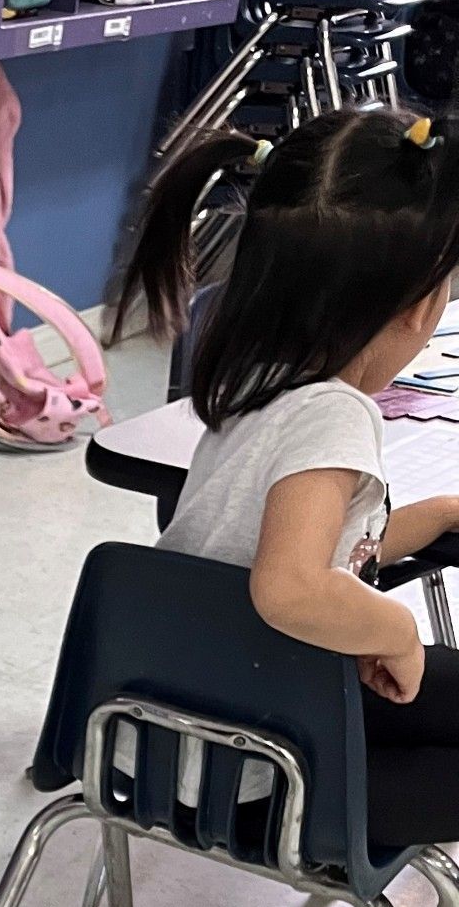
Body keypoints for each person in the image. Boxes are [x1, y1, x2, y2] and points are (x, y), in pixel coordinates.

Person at [115, 105, 459, 845]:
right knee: (426, 688)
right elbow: (292, 587)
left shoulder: (257, 383)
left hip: (170, 731)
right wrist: (398, 630)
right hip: (260, 777)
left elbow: (290, 545)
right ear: (414, 307)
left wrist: (426, 518)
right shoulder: (333, 415)